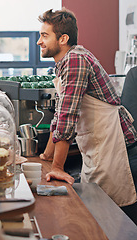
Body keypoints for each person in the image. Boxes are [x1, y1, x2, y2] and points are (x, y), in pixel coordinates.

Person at [37, 8, 137, 224]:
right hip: (101, 149)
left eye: (44, 36)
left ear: (63, 39)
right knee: (98, 220)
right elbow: (59, 116)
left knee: (115, 226)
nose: (39, 41)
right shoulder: (64, 62)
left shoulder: (75, 60)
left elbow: (67, 116)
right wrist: (46, 157)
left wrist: (56, 168)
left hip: (121, 153)